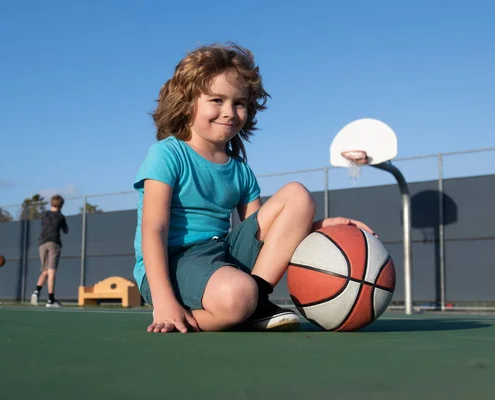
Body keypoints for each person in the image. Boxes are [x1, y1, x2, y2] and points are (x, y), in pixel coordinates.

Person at [133, 42, 375, 333]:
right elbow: (153, 229)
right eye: (217, 100)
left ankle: (256, 300)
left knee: (297, 195)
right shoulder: (167, 154)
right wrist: (164, 301)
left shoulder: (240, 170)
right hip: (172, 262)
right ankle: (209, 311)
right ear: (188, 102)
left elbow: (264, 238)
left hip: (220, 254)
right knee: (237, 295)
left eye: (239, 103)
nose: (230, 112)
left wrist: (320, 226)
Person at [31, 194, 68, 307]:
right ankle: (50, 300)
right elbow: (65, 230)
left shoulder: (44, 214)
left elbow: (45, 224)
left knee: (45, 271)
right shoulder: (61, 217)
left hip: (42, 243)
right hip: (53, 243)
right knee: (51, 272)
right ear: (61, 205)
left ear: (51, 203)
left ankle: (36, 292)